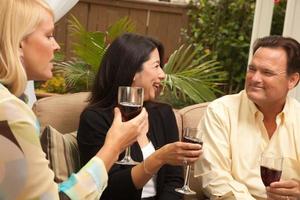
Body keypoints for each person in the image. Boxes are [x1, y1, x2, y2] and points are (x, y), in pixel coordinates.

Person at [0, 0, 148, 199]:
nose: (57, 46)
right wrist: (114, 146)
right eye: (49, 35)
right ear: (18, 42)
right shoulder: (9, 113)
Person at [77, 33, 203, 200]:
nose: (163, 75)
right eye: (156, 66)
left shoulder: (163, 114)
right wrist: (159, 157)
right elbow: (108, 190)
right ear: (133, 71)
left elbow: (174, 182)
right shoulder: (95, 119)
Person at [195, 35, 300, 199]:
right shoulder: (221, 112)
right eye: (252, 69)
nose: (255, 78)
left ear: (292, 80)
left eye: (267, 72)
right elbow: (214, 180)